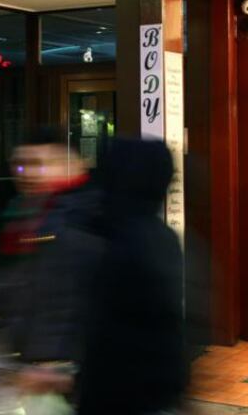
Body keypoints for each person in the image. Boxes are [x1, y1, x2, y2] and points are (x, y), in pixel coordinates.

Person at [0, 127, 104, 395]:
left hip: (72, 368)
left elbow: (68, 295)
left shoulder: (79, 217)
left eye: (37, 165)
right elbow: (22, 272)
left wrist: (52, 360)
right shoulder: (27, 210)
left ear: (65, 165)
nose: (28, 174)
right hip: (41, 363)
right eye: (20, 165)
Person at [75, 138, 188, 414]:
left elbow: (108, 331)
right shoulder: (162, 236)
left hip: (118, 394)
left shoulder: (118, 239)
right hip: (156, 390)